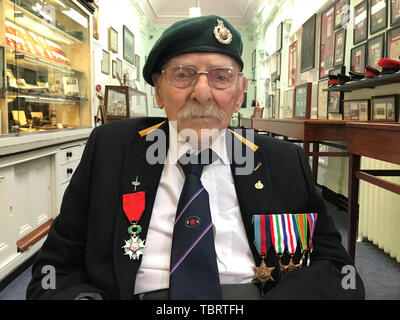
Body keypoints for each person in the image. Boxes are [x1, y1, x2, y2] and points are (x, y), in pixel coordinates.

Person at [27, 15, 364, 300]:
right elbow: (52, 271)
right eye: (183, 75)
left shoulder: (283, 160)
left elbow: (341, 272)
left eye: (221, 77)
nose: (202, 93)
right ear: (158, 91)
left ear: (239, 93)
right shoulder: (110, 150)